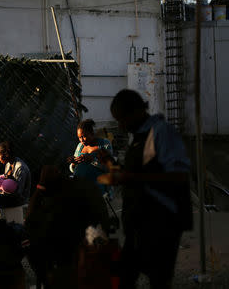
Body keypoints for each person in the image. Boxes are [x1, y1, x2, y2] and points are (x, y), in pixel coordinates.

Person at [97, 89, 193, 289]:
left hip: (161, 220)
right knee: (125, 275)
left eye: (122, 119)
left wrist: (130, 177)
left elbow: (178, 175)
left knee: (157, 279)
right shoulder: (140, 136)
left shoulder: (161, 132)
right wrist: (110, 164)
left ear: (137, 111)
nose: (121, 126)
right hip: (140, 221)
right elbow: (138, 172)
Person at [25, 165, 109, 289]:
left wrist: (40, 187)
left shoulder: (56, 211)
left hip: (66, 263)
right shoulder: (85, 191)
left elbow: (29, 222)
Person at [67, 119, 113, 195]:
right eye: (79, 137)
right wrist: (73, 163)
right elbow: (72, 169)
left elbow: (110, 167)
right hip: (79, 187)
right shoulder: (80, 146)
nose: (82, 140)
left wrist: (92, 160)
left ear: (92, 133)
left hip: (96, 189)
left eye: (84, 136)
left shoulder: (104, 144)